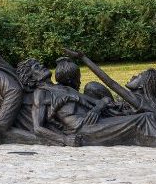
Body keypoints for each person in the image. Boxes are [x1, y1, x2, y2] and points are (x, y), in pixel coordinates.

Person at [17, 58, 156, 147]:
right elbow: (38, 128)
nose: (41, 66)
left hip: (98, 120)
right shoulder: (40, 94)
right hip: (84, 129)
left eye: (39, 64)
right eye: (36, 67)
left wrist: (97, 108)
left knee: (146, 116)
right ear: (31, 78)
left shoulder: (63, 88)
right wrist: (64, 139)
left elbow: (104, 100)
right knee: (145, 118)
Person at [65, 49, 156, 115]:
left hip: (116, 118)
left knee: (91, 86)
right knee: (92, 87)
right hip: (113, 109)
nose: (133, 76)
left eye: (138, 76)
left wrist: (83, 57)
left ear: (141, 86)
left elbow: (111, 83)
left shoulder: (138, 100)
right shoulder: (141, 99)